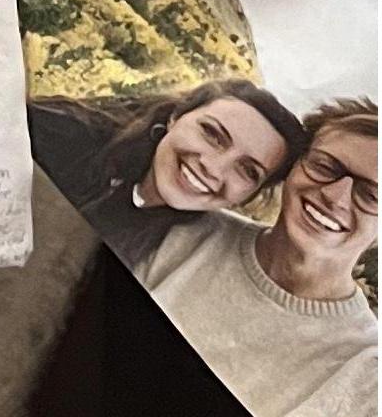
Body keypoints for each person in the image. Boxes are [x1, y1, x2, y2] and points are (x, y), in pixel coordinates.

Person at [137, 100, 378, 417]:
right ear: (292, 168)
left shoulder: (366, 375)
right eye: (325, 166)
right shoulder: (183, 230)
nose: (335, 197)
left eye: (372, 195)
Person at [32, 80, 309, 269]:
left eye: (248, 171)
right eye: (212, 134)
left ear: (248, 196)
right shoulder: (59, 134)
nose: (212, 168)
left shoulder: (184, 254)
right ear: (176, 116)